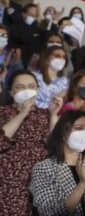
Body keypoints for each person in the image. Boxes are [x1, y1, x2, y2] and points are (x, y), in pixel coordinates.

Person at [0, 70, 62, 216]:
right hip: (9, 184)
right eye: (20, 87)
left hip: (40, 183)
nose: (26, 90)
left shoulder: (45, 114)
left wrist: (53, 115)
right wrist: (23, 113)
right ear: (10, 92)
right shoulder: (3, 113)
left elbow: (57, 146)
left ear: (37, 90)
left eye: (31, 86)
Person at [9, 3, 45, 67]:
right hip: (18, 61)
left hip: (34, 63)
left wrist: (39, 18)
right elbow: (21, 39)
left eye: (35, 16)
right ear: (23, 14)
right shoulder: (15, 26)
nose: (33, 17)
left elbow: (45, 39)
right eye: (30, 15)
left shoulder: (38, 28)